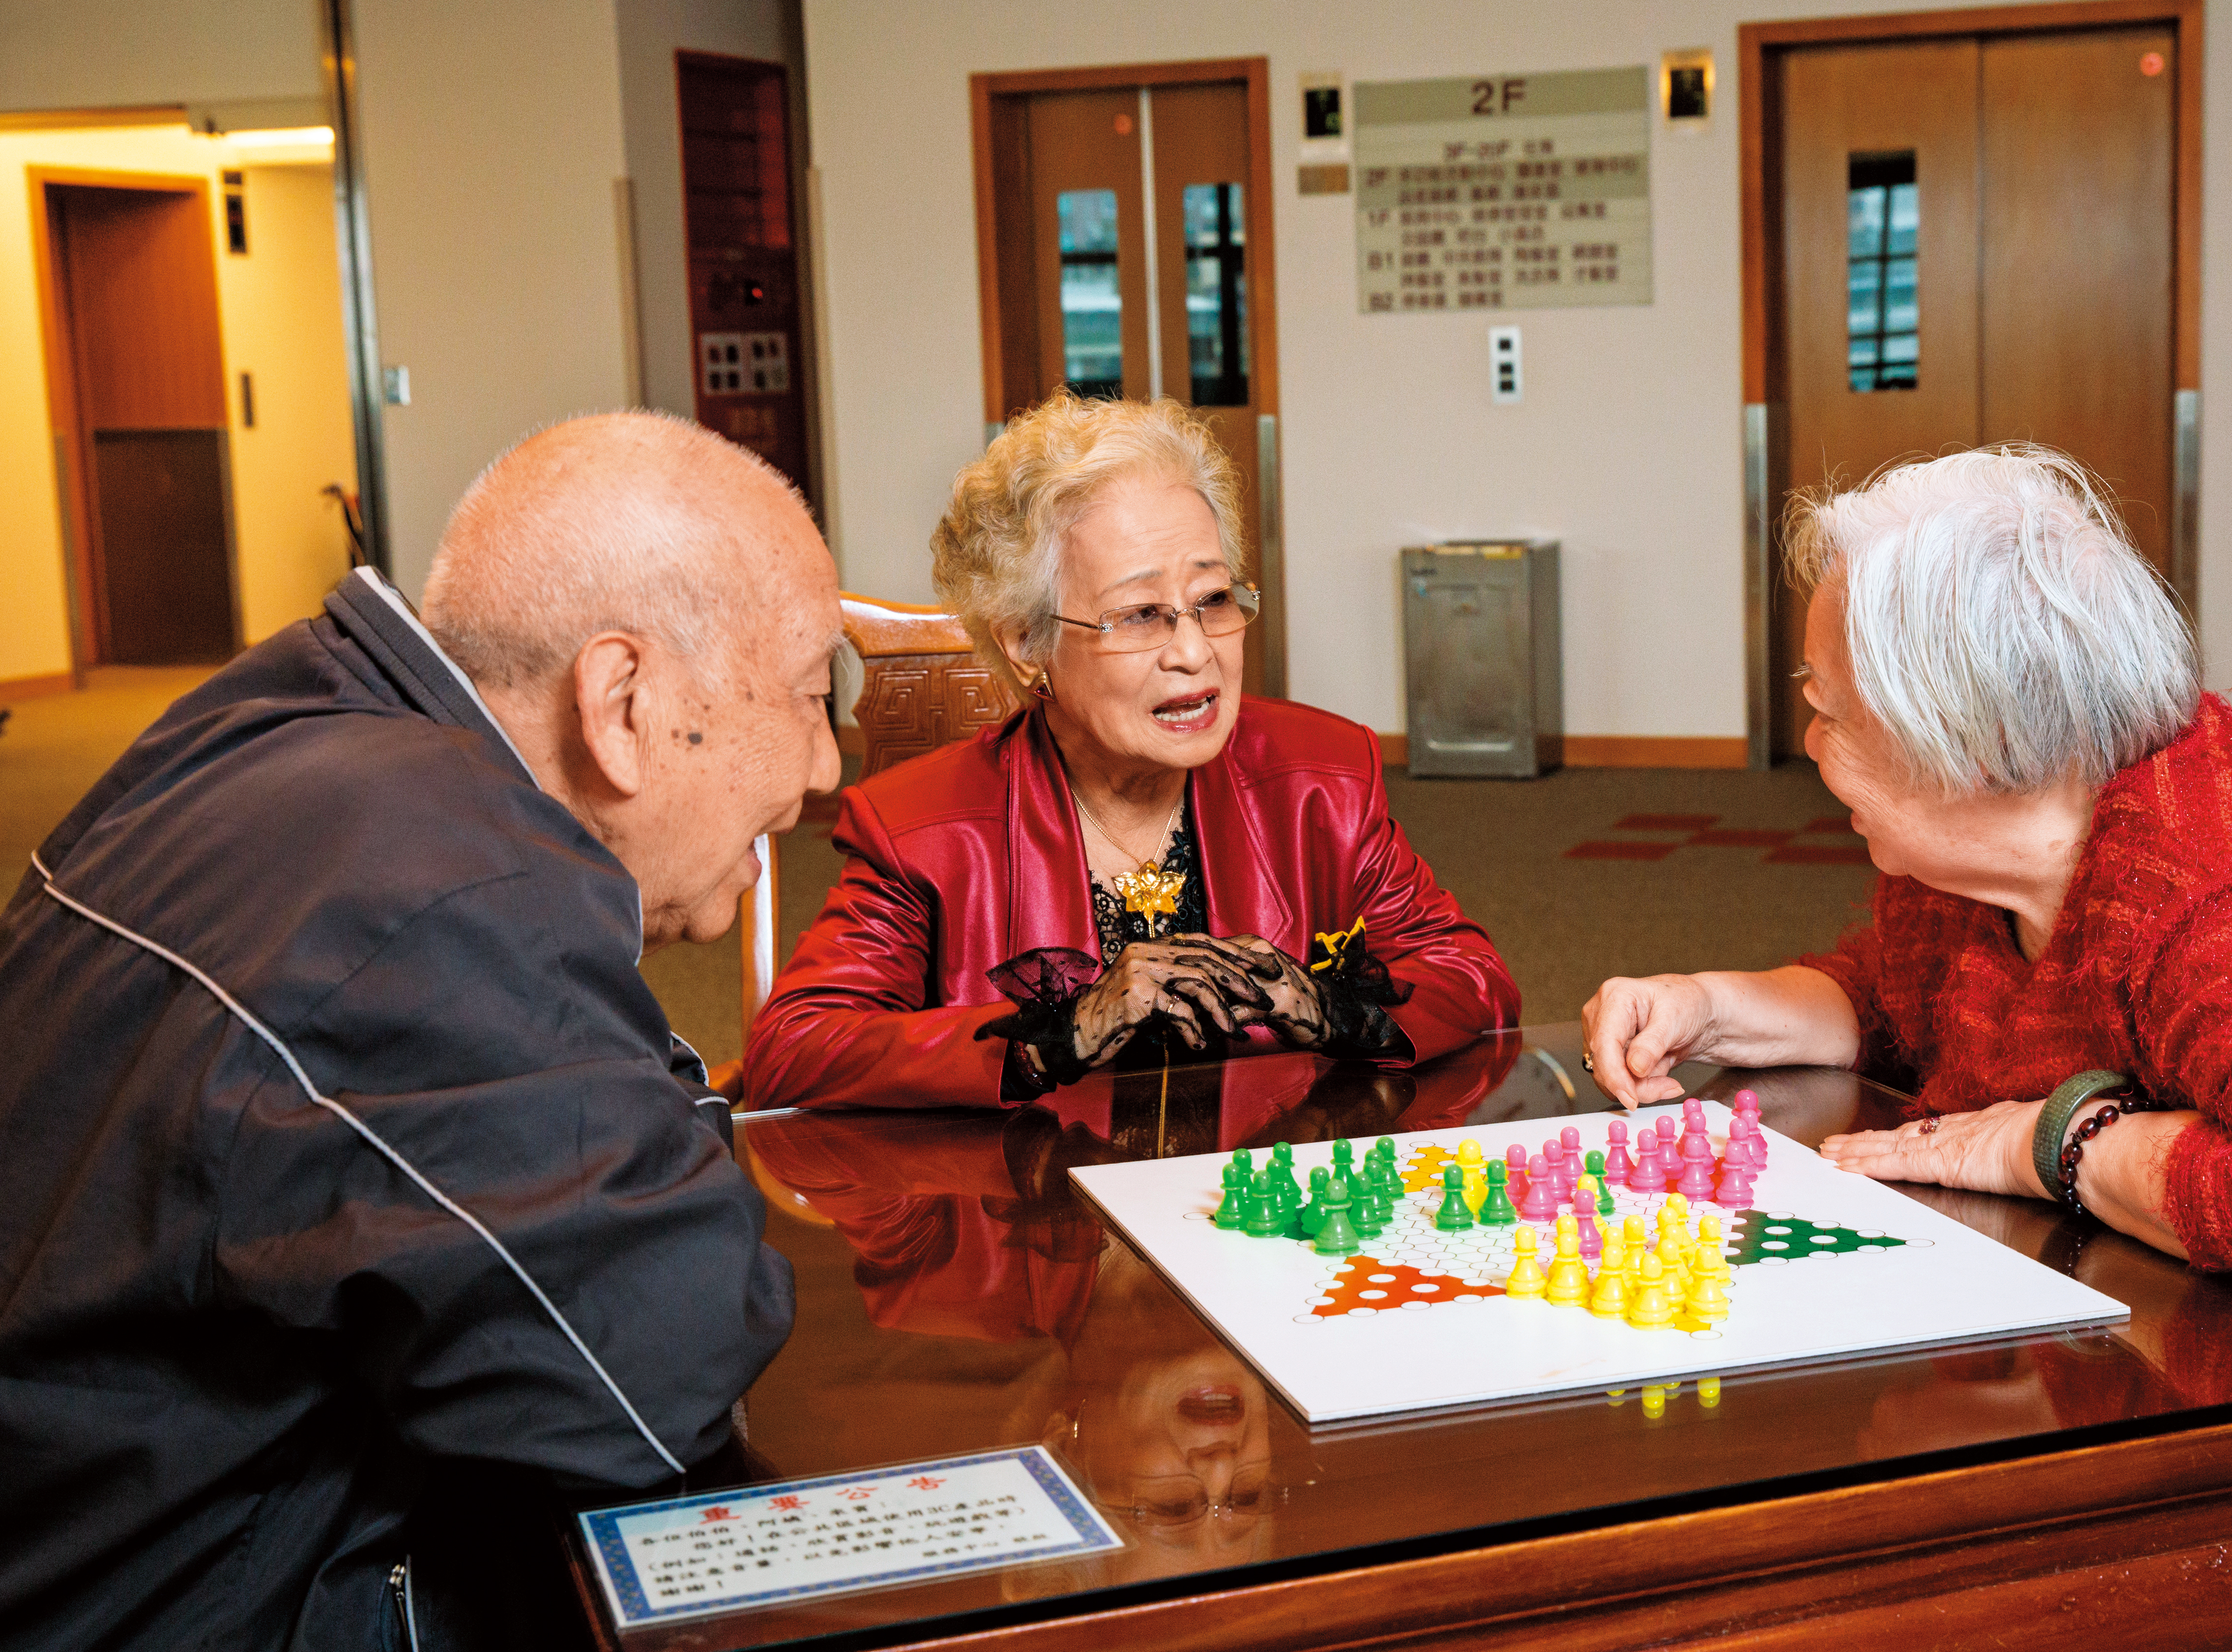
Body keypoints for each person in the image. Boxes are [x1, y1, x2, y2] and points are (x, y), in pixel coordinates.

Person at [1580, 445, 2232, 1542]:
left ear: (1965, 746)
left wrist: (2054, 1143)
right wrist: (1709, 1003)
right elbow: (1893, 1001)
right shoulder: (1986, 860)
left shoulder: (2229, 882)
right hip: (2147, 1364)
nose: (1810, 744)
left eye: (1829, 713)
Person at [0, 413, 833, 1650]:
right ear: (622, 701)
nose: (823, 768)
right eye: (815, 696)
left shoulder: (287, 722)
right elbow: (654, 1373)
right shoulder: (450, 895)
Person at [744, 392, 1518, 1111]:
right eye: (1141, 615)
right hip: (1039, 1227)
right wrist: (1064, 1034)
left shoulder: (1322, 778)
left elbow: (1473, 977)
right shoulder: (921, 829)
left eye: (1213, 602)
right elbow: (798, 1047)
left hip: (1260, 1216)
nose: (1194, 653)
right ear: (1026, 642)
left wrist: (1322, 1006)